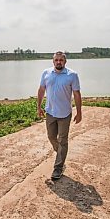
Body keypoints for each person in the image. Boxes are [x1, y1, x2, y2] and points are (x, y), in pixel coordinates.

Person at [37, 51, 82, 180]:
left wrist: (79, 112)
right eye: (56, 60)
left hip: (65, 114)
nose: (58, 62)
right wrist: (38, 107)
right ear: (53, 61)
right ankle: (60, 154)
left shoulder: (72, 75)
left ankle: (58, 168)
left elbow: (77, 94)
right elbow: (41, 90)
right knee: (51, 137)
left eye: (61, 60)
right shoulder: (46, 73)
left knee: (63, 140)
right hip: (50, 112)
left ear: (65, 61)